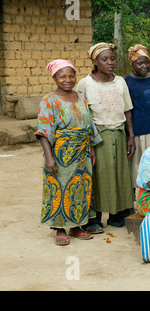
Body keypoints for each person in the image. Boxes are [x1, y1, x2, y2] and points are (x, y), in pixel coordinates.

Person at [36, 59, 103, 245]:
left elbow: (89, 124)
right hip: (61, 153)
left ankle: (75, 226)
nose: (68, 79)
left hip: (82, 152)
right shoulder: (48, 101)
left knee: (80, 188)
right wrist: (49, 158)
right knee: (59, 187)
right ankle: (59, 227)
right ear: (54, 78)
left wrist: (91, 148)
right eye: (62, 76)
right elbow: (43, 132)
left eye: (71, 75)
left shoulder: (80, 97)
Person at [76, 42, 135, 232]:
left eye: (112, 58)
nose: (110, 62)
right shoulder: (85, 84)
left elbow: (127, 111)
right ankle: (94, 218)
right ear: (95, 62)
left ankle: (118, 216)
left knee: (119, 175)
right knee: (98, 177)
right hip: (97, 135)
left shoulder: (120, 82)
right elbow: (82, 115)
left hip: (118, 133)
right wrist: (89, 143)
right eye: (105, 59)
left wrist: (130, 136)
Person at [125, 44, 150, 193]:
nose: (144, 66)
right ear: (132, 64)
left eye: (146, 62)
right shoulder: (127, 82)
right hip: (138, 131)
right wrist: (131, 134)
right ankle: (138, 198)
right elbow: (127, 110)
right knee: (138, 166)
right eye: (139, 63)